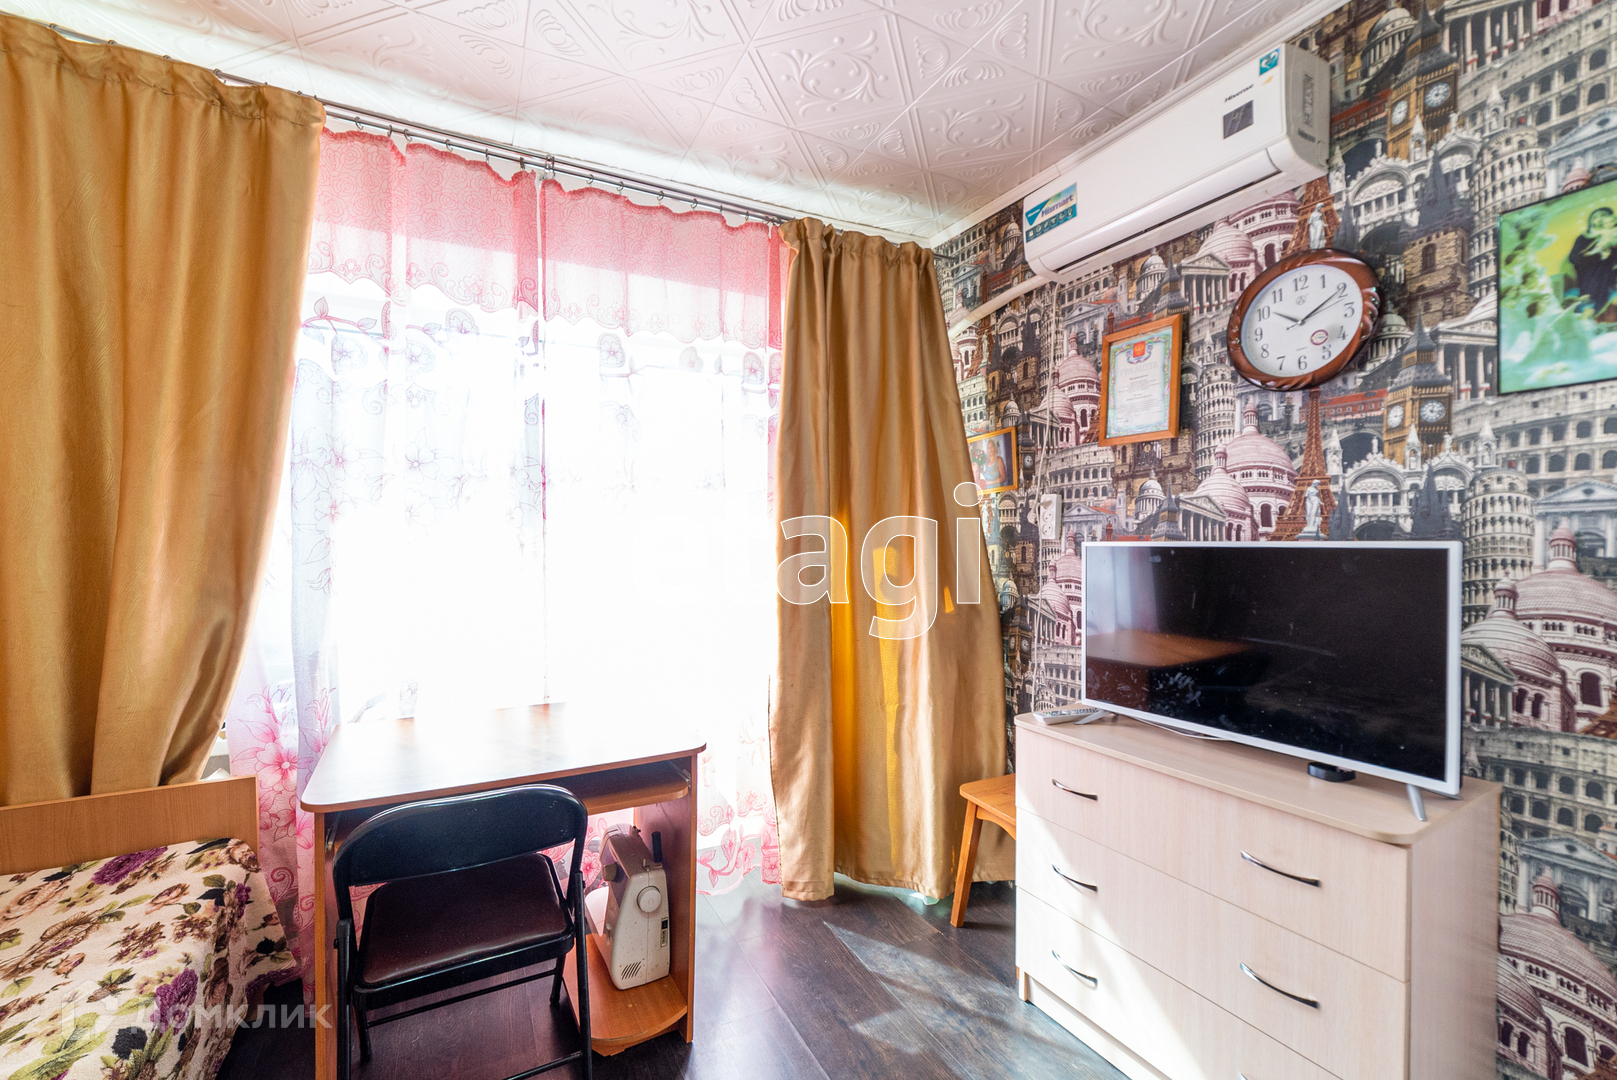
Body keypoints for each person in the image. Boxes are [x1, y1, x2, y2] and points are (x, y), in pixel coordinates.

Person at [1566, 205, 1617, 317]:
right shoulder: (1583, 238)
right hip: (1589, 276)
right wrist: (1597, 256)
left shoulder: (1614, 235)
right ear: (1591, 221)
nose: (1599, 219)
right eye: (1595, 217)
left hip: (1609, 275)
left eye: (1603, 215)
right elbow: (1573, 258)